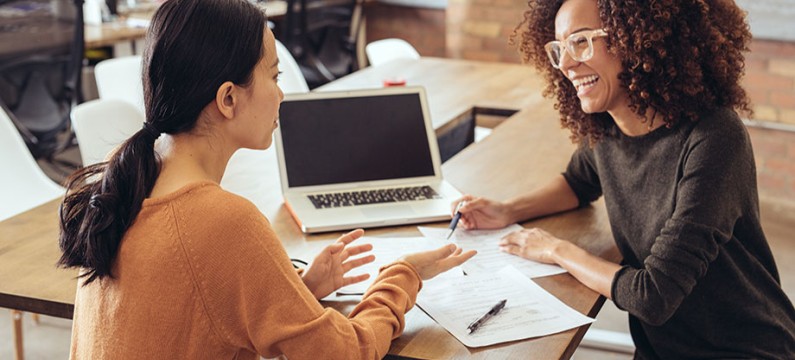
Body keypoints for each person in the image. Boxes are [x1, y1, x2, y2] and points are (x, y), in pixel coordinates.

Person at [57, 0, 475, 358]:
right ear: (228, 98)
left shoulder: (128, 173)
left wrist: (299, 289)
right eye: (274, 77)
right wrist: (402, 275)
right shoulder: (222, 220)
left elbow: (196, 311)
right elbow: (347, 352)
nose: (281, 94)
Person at [452, 0, 795, 358]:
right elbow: (577, 182)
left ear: (638, 39)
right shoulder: (608, 128)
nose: (567, 64)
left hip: (744, 349)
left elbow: (652, 296)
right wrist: (507, 210)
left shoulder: (714, 138)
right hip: (659, 349)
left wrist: (556, 249)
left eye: (581, 41)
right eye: (559, 48)